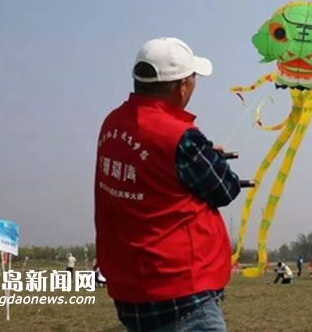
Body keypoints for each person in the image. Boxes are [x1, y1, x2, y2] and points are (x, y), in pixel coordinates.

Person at [95, 37, 242, 332]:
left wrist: (200, 156)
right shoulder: (180, 136)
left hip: (131, 290)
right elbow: (226, 189)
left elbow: (153, 175)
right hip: (182, 296)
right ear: (182, 86)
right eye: (194, 79)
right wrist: (205, 156)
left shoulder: (112, 123)